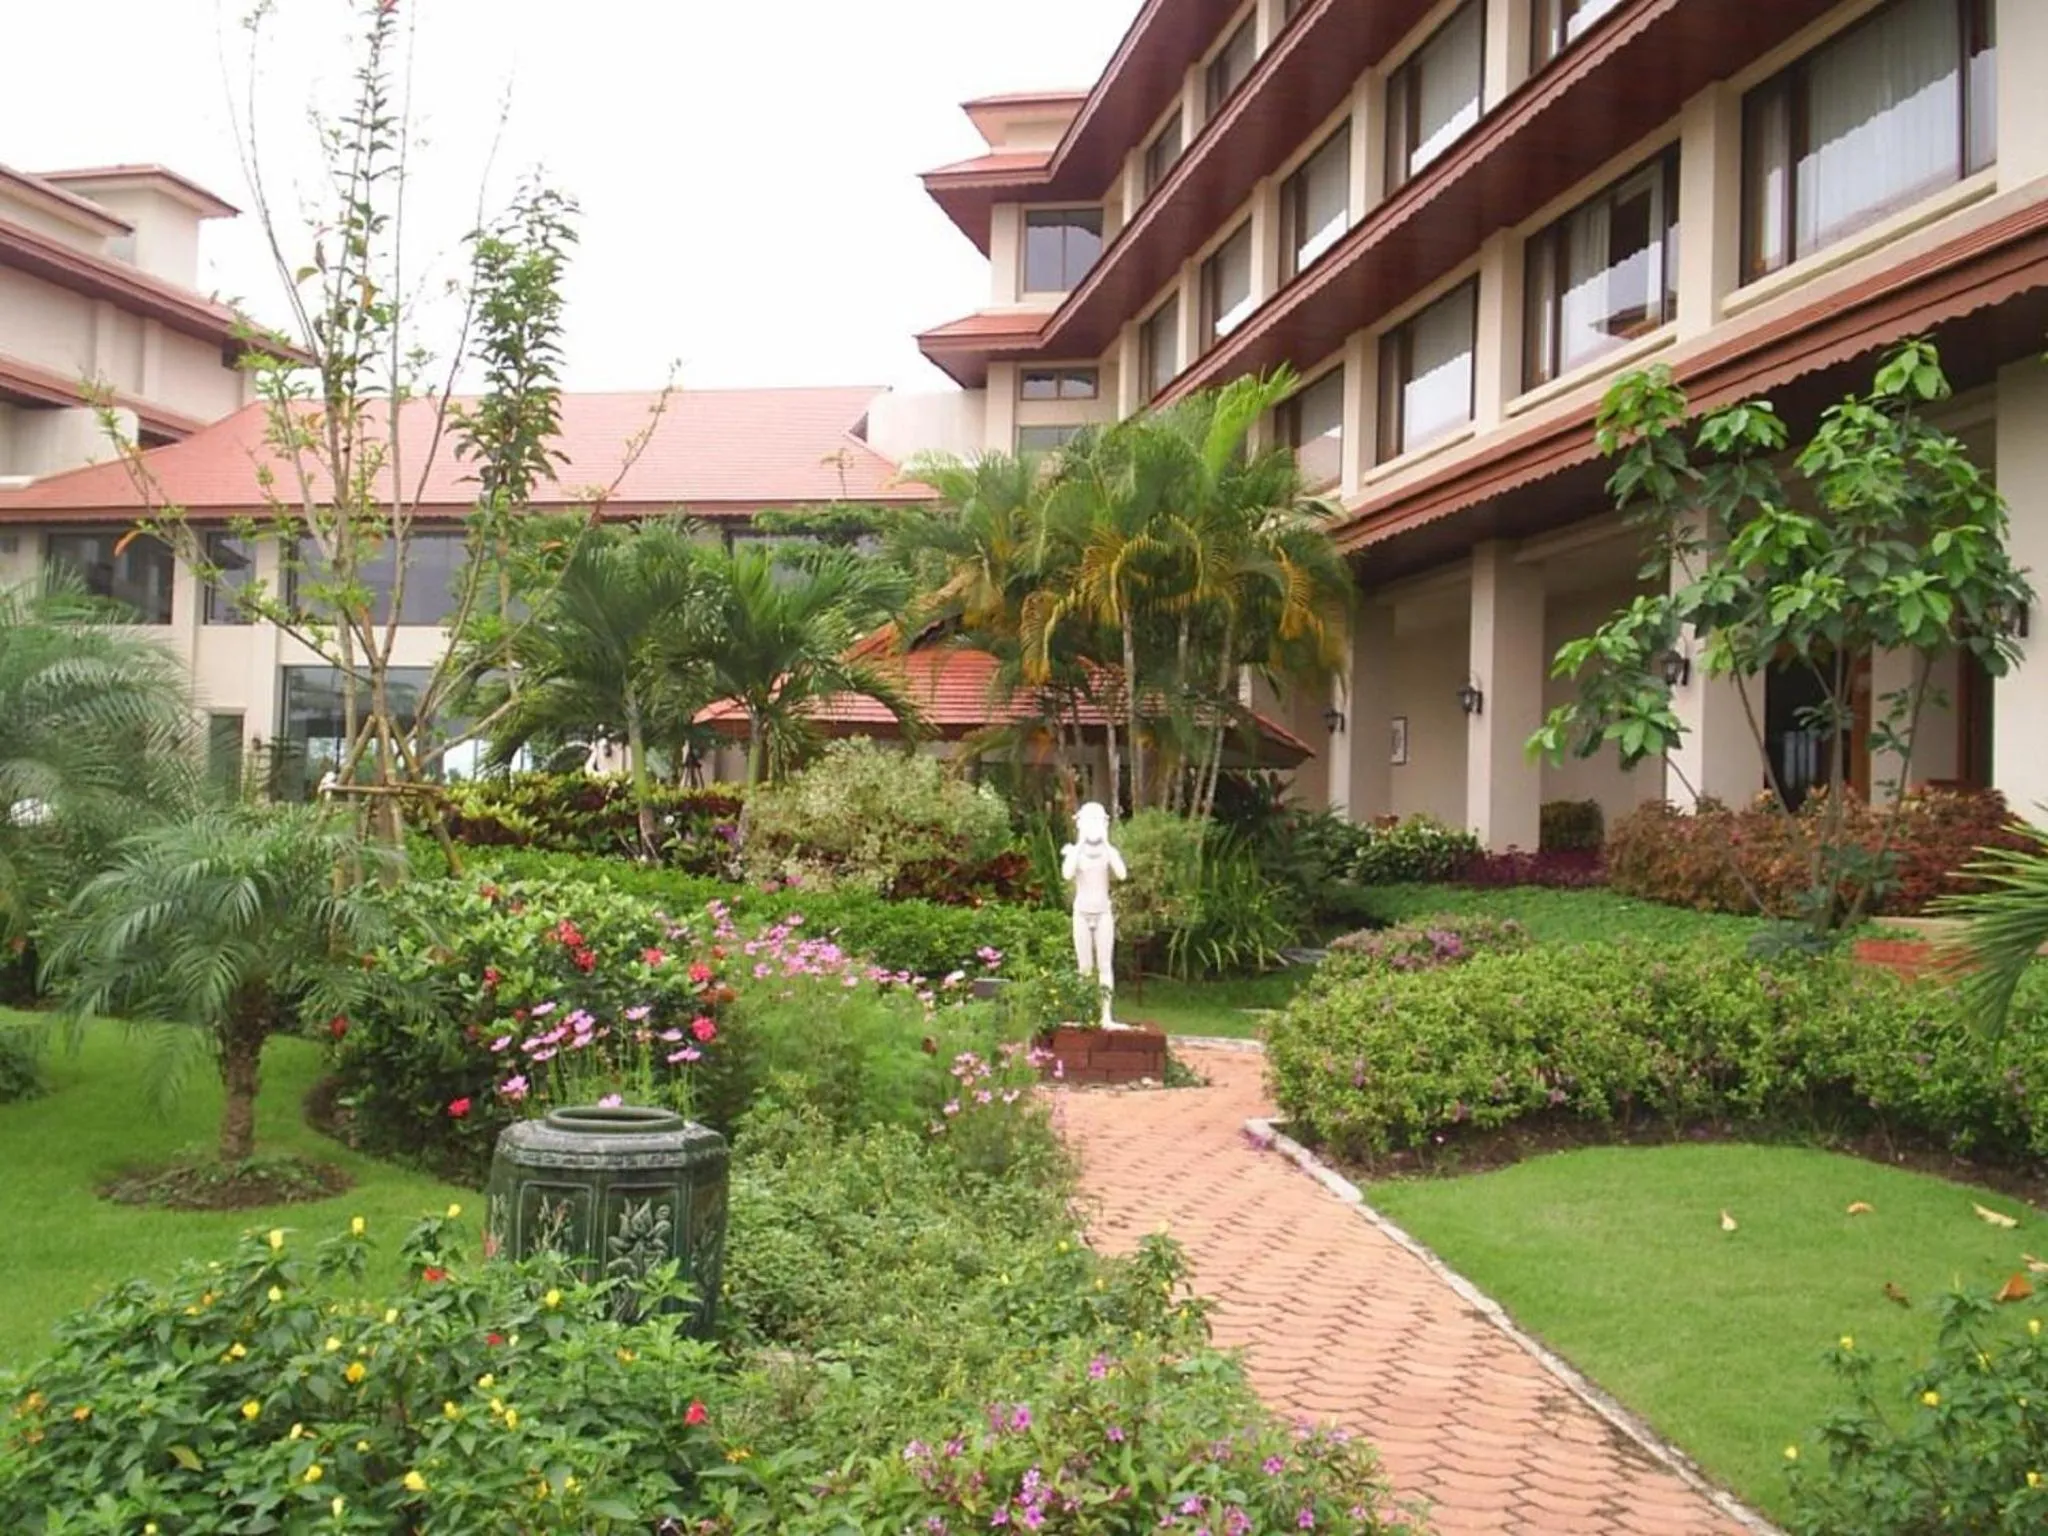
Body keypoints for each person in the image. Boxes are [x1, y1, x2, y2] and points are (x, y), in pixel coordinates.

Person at [1060, 801, 1127, 1027]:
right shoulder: (1075, 852)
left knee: (1105, 965)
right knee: (1084, 967)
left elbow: (1122, 874)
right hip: (1081, 912)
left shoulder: (1109, 852)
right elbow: (1067, 874)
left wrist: (1107, 842)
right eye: (1089, 821)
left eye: (1097, 821)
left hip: (1103, 913)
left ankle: (1106, 1015)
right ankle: (1084, 1014)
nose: (1093, 826)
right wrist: (1079, 842)